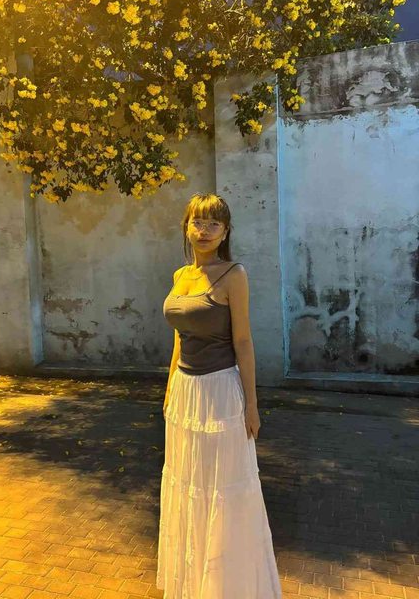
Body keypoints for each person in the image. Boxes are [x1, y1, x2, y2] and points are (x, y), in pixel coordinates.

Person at [156, 192, 282, 599]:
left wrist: (252, 405)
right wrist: (169, 389)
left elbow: (243, 341)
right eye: (198, 221)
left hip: (221, 393)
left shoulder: (233, 275)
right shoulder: (180, 276)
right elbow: (179, 338)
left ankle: (227, 587)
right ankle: (195, 583)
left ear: (226, 232)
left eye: (214, 223)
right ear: (186, 227)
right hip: (185, 394)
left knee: (224, 488)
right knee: (189, 483)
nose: (205, 230)